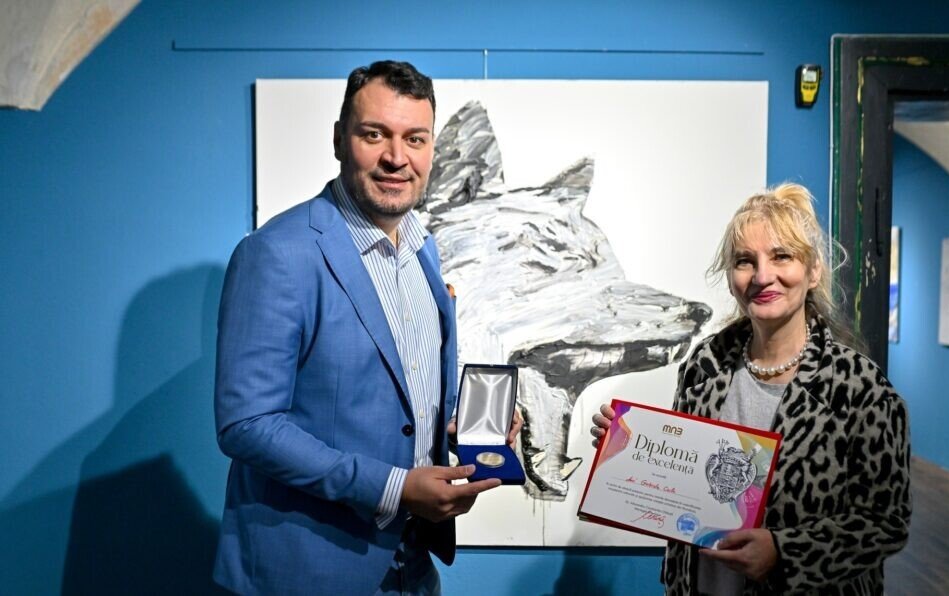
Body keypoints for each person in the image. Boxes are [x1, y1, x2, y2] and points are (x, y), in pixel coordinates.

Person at [213, 60, 519, 595]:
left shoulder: (424, 250)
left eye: (415, 139)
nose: (396, 157)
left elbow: (402, 400)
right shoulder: (277, 254)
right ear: (339, 139)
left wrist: (462, 429)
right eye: (374, 134)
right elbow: (247, 423)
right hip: (305, 574)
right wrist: (396, 488)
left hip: (412, 569)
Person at [590, 183, 911, 595]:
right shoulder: (704, 366)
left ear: (813, 271)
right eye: (745, 261)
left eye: (782, 256)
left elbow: (887, 522)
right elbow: (685, 478)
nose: (762, 276)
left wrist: (784, 552)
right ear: (730, 278)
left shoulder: (860, 389)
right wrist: (628, 449)